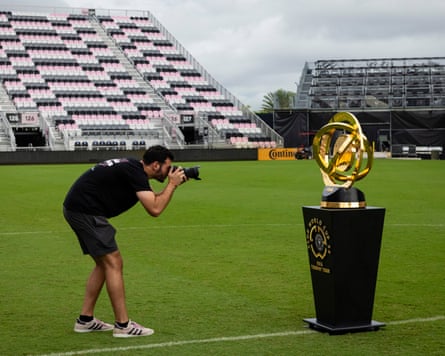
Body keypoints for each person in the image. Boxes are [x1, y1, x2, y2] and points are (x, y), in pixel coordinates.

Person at [63, 145, 188, 338]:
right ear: (156, 165)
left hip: (79, 208)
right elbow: (155, 209)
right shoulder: (135, 172)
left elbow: (152, 198)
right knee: (114, 262)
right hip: (86, 211)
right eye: (167, 166)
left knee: (104, 264)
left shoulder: (134, 168)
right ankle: (123, 325)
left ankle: (85, 320)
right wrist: (171, 185)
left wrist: (172, 183)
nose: (170, 170)